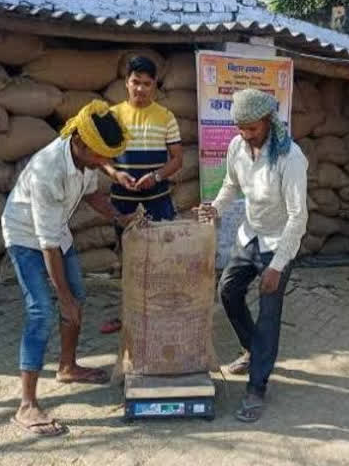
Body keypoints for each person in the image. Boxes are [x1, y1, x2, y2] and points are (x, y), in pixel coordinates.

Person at [1, 100, 134, 437]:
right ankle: (26, 404)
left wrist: (118, 215)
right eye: (103, 155)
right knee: (43, 311)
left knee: (78, 295)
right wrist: (61, 296)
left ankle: (67, 366)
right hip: (25, 236)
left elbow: (91, 197)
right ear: (83, 143)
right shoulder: (49, 169)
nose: (107, 163)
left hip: (57, 231)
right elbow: (45, 244)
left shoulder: (85, 162)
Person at [196, 88, 308, 423]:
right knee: (228, 291)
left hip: (279, 243)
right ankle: (252, 350)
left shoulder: (291, 158)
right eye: (241, 128)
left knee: (269, 310)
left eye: (252, 129)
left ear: (268, 122)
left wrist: (277, 266)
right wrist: (215, 209)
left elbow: (298, 217)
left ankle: (257, 387)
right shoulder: (236, 147)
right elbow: (231, 184)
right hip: (250, 235)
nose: (246, 136)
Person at [98, 56, 183, 334]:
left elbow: (177, 160)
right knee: (129, 259)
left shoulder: (166, 117)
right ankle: (127, 316)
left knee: (162, 256)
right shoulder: (113, 115)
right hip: (123, 200)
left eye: (147, 84)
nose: (141, 89)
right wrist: (115, 175)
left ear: (155, 86)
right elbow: (101, 156)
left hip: (158, 198)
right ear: (126, 82)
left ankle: (161, 313)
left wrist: (156, 176)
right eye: (136, 82)